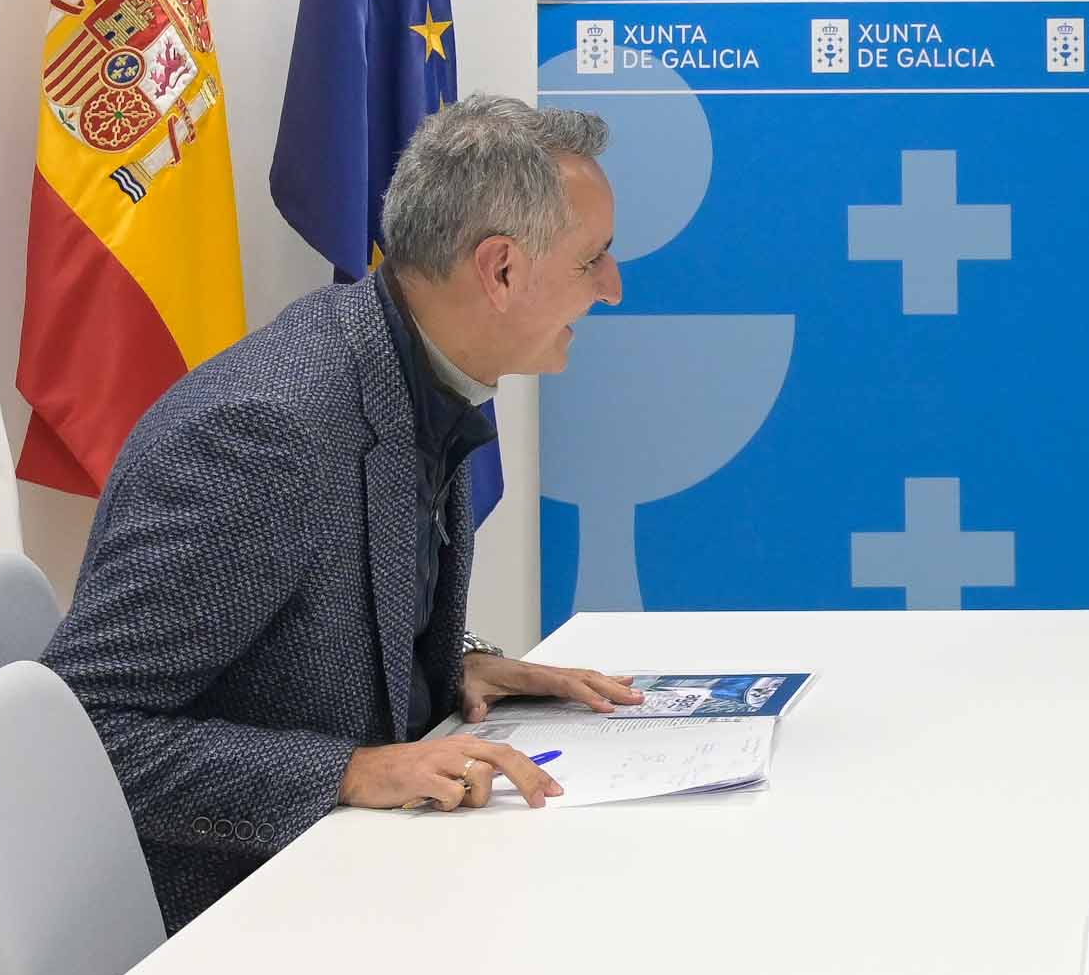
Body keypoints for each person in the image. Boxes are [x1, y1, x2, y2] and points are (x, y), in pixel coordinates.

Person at [43, 95, 641, 931]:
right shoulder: (268, 433)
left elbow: (304, 635)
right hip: (240, 923)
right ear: (501, 270)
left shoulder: (413, 369)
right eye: (593, 260)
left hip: (365, 880)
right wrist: (349, 772)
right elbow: (75, 738)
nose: (612, 288)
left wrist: (450, 665)